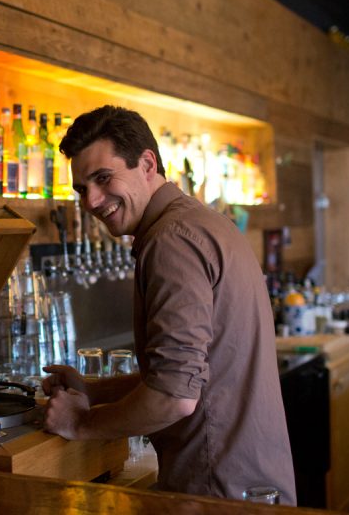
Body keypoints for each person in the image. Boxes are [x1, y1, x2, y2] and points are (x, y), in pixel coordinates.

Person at [42, 105, 295, 502]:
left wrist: (82, 423)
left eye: (103, 178)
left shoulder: (170, 241)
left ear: (147, 164)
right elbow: (188, 377)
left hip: (217, 493)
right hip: (248, 486)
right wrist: (94, 391)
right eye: (81, 188)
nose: (91, 201)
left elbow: (174, 397)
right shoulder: (200, 222)